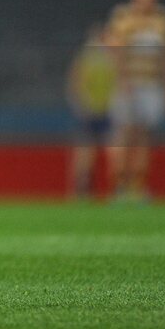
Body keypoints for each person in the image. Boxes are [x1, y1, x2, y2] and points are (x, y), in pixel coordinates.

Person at [105, 0, 165, 202]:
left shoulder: (162, 19)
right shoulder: (123, 16)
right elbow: (114, 52)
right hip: (129, 84)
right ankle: (120, 185)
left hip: (151, 84)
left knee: (145, 135)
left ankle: (138, 186)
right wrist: (123, 80)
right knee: (125, 134)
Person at [65, 24, 117, 199]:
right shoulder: (92, 57)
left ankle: (88, 190)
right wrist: (83, 104)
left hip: (102, 110)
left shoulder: (103, 57)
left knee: (102, 152)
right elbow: (77, 82)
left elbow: (75, 82)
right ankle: (83, 190)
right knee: (88, 153)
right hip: (94, 110)